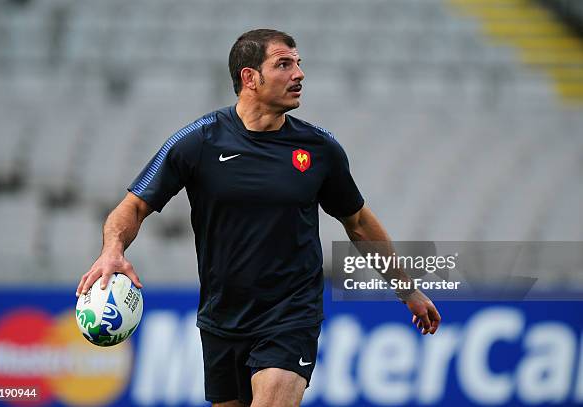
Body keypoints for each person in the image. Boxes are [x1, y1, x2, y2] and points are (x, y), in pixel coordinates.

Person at [76, 29, 441, 407]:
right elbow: (132, 206)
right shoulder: (199, 141)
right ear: (249, 78)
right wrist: (111, 251)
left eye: (298, 63)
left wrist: (407, 289)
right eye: (284, 64)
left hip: (291, 315)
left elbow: (359, 222)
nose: (298, 74)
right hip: (222, 317)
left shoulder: (319, 149)